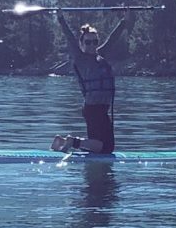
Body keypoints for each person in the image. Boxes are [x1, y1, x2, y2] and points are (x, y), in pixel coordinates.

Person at [51, 10, 133, 154]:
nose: (91, 45)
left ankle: (61, 142)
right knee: (105, 147)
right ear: (81, 43)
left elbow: (112, 39)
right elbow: (69, 37)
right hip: (93, 109)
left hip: (102, 109)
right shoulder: (80, 58)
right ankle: (72, 141)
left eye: (95, 42)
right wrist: (61, 18)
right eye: (87, 42)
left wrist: (124, 21)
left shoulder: (100, 55)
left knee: (103, 146)